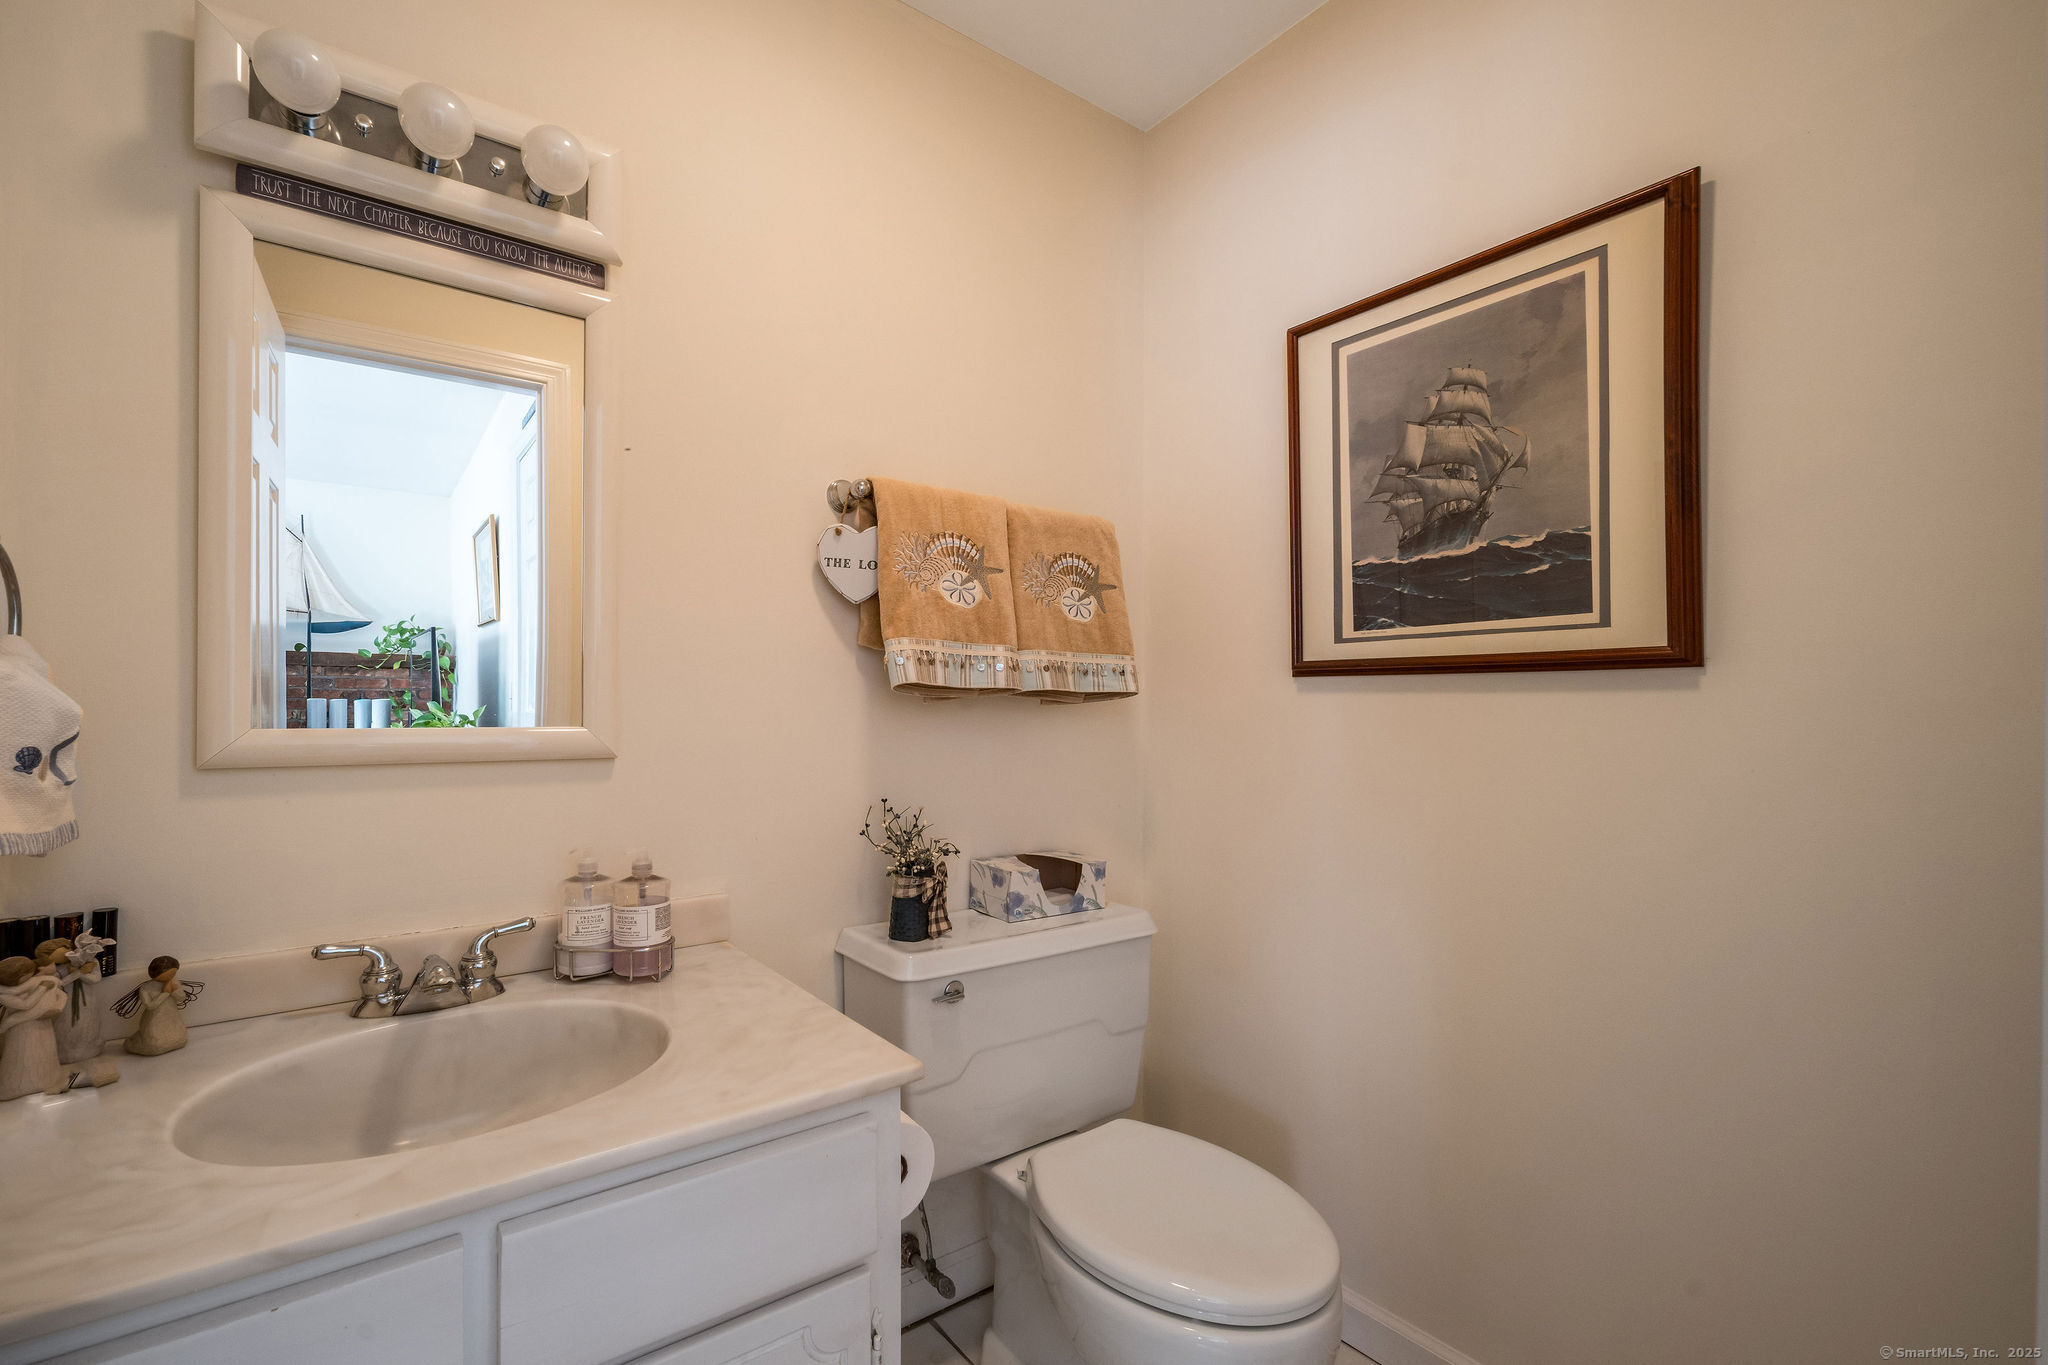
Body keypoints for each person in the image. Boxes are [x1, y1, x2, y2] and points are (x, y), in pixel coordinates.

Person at [0, 955, 66, 1099]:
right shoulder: (5, 993)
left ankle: (46, 1079)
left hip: (39, 1021)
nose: (32, 975)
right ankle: (21, 1085)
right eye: (27, 974)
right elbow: (25, 1004)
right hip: (24, 1028)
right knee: (24, 1052)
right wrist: (42, 988)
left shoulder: (31, 983)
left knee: (42, 1050)